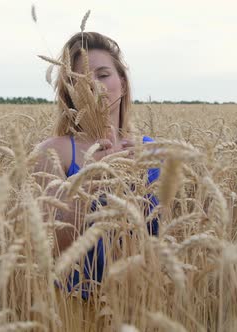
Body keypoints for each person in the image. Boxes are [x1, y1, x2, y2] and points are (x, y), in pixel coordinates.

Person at [34, 31, 159, 299]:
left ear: (122, 83)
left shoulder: (152, 151)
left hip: (145, 305)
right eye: (79, 80)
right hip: (76, 310)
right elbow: (47, 247)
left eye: (103, 75)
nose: (92, 85)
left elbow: (178, 239)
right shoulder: (54, 152)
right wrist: (91, 178)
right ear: (69, 91)